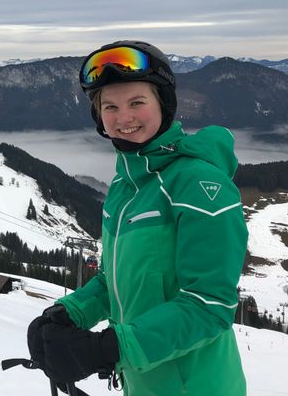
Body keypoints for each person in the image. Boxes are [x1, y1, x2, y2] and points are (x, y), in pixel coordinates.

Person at [26, 40, 248, 395]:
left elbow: (209, 306)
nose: (123, 118)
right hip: (142, 382)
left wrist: (107, 350)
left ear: (164, 104)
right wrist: (69, 312)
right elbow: (116, 281)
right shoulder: (125, 187)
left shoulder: (198, 185)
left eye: (137, 103)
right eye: (110, 106)